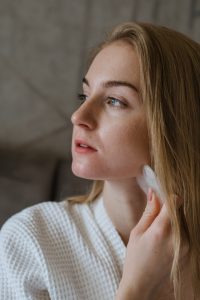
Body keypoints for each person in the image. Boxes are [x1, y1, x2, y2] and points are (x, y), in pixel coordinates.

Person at [0, 22, 199, 300]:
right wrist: (136, 290)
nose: (78, 116)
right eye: (85, 95)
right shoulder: (30, 241)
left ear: (175, 126)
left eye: (114, 101)